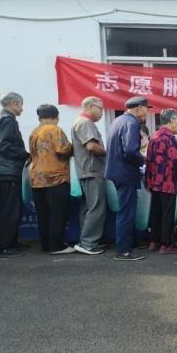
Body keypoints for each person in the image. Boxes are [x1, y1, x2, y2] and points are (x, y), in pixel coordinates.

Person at [105, 97, 150, 261]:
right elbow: (130, 151)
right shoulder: (131, 123)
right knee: (126, 212)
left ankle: (129, 244)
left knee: (126, 210)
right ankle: (123, 251)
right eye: (146, 109)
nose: (147, 113)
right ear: (139, 108)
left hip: (117, 173)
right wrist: (143, 160)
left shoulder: (118, 121)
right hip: (125, 174)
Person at [29, 104, 74, 254]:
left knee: (43, 214)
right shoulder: (54, 129)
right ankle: (57, 246)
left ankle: (46, 245)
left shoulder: (34, 131)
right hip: (55, 177)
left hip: (36, 178)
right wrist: (72, 147)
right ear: (56, 117)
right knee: (57, 213)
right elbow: (62, 149)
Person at [0, 92, 29, 257]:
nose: (22, 109)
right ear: (14, 103)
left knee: (9, 208)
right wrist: (25, 154)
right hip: (7, 171)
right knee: (10, 210)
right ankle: (5, 247)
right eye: (21, 105)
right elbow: (3, 145)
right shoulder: (8, 121)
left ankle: (11, 243)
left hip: (1, 171)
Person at [145, 108, 177, 254]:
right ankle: (166, 244)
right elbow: (174, 160)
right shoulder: (170, 137)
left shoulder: (154, 135)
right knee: (168, 213)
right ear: (172, 120)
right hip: (167, 181)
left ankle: (154, 241)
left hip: (155, 181)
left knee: (156, 211)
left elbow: (148, 159)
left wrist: (148, 180)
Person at [71, 96, 107, 255]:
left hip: (87, 171)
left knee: (88, 208)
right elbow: (92, 146)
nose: (102, 112)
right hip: (91, 171)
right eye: (100, 108)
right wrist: (107, 152)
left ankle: (86, 241)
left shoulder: (81, 122)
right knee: (96, 207)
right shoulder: (85, 122)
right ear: (91, 106)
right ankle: (88, 242)